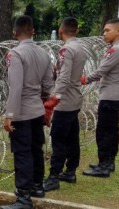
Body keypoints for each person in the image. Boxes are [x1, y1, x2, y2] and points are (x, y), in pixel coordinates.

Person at [0, 15, 54, 209]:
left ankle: (23, 197)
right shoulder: (43, 54)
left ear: (15, 33)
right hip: (37, 110)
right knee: (35, 150)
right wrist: (40, 101)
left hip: (21, 112)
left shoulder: (15, 54)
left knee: (22, 153)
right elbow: (48, 85)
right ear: (33, 31)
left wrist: (9, 115)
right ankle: (37, 186)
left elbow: (16, 88)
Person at [81, 19, 119, 178]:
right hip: (113, 93)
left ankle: (104, 165)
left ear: (118, 31)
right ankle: (108, 162)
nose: (104, 33)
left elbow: (101, 70)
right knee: (110, 130)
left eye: (107, 30)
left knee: (104, 131)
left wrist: (83, 80)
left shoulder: (117, 49)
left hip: (110, 95)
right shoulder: (118, 48)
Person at [43, 17, 88, 192]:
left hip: (65, 101)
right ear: (76, 30)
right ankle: (70, 170)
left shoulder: (66, 49)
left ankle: (54, 176)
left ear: (60, 30)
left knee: (59, 139)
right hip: (75, 99)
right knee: (72, 137)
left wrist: (55, 98)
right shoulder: (80, 48)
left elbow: (64, 77)